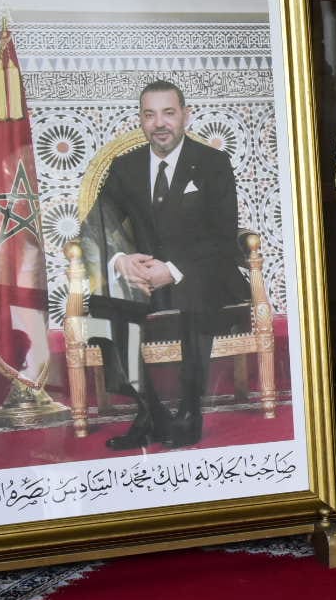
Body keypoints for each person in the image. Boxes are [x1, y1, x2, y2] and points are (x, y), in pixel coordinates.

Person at [94, 79, 249, 450]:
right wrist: (122, 260)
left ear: (185, 116)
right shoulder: (125, 167)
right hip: (146, 278)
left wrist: (174, 269)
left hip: (201, 272)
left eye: (168, 113)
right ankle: (149, 411)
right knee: (102, 302)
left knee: (194, 291)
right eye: (150, 115)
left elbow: (223, 235)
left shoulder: (213, 163)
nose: (159, 123)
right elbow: (100, 222)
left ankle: (190, 410)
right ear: (141, 120)